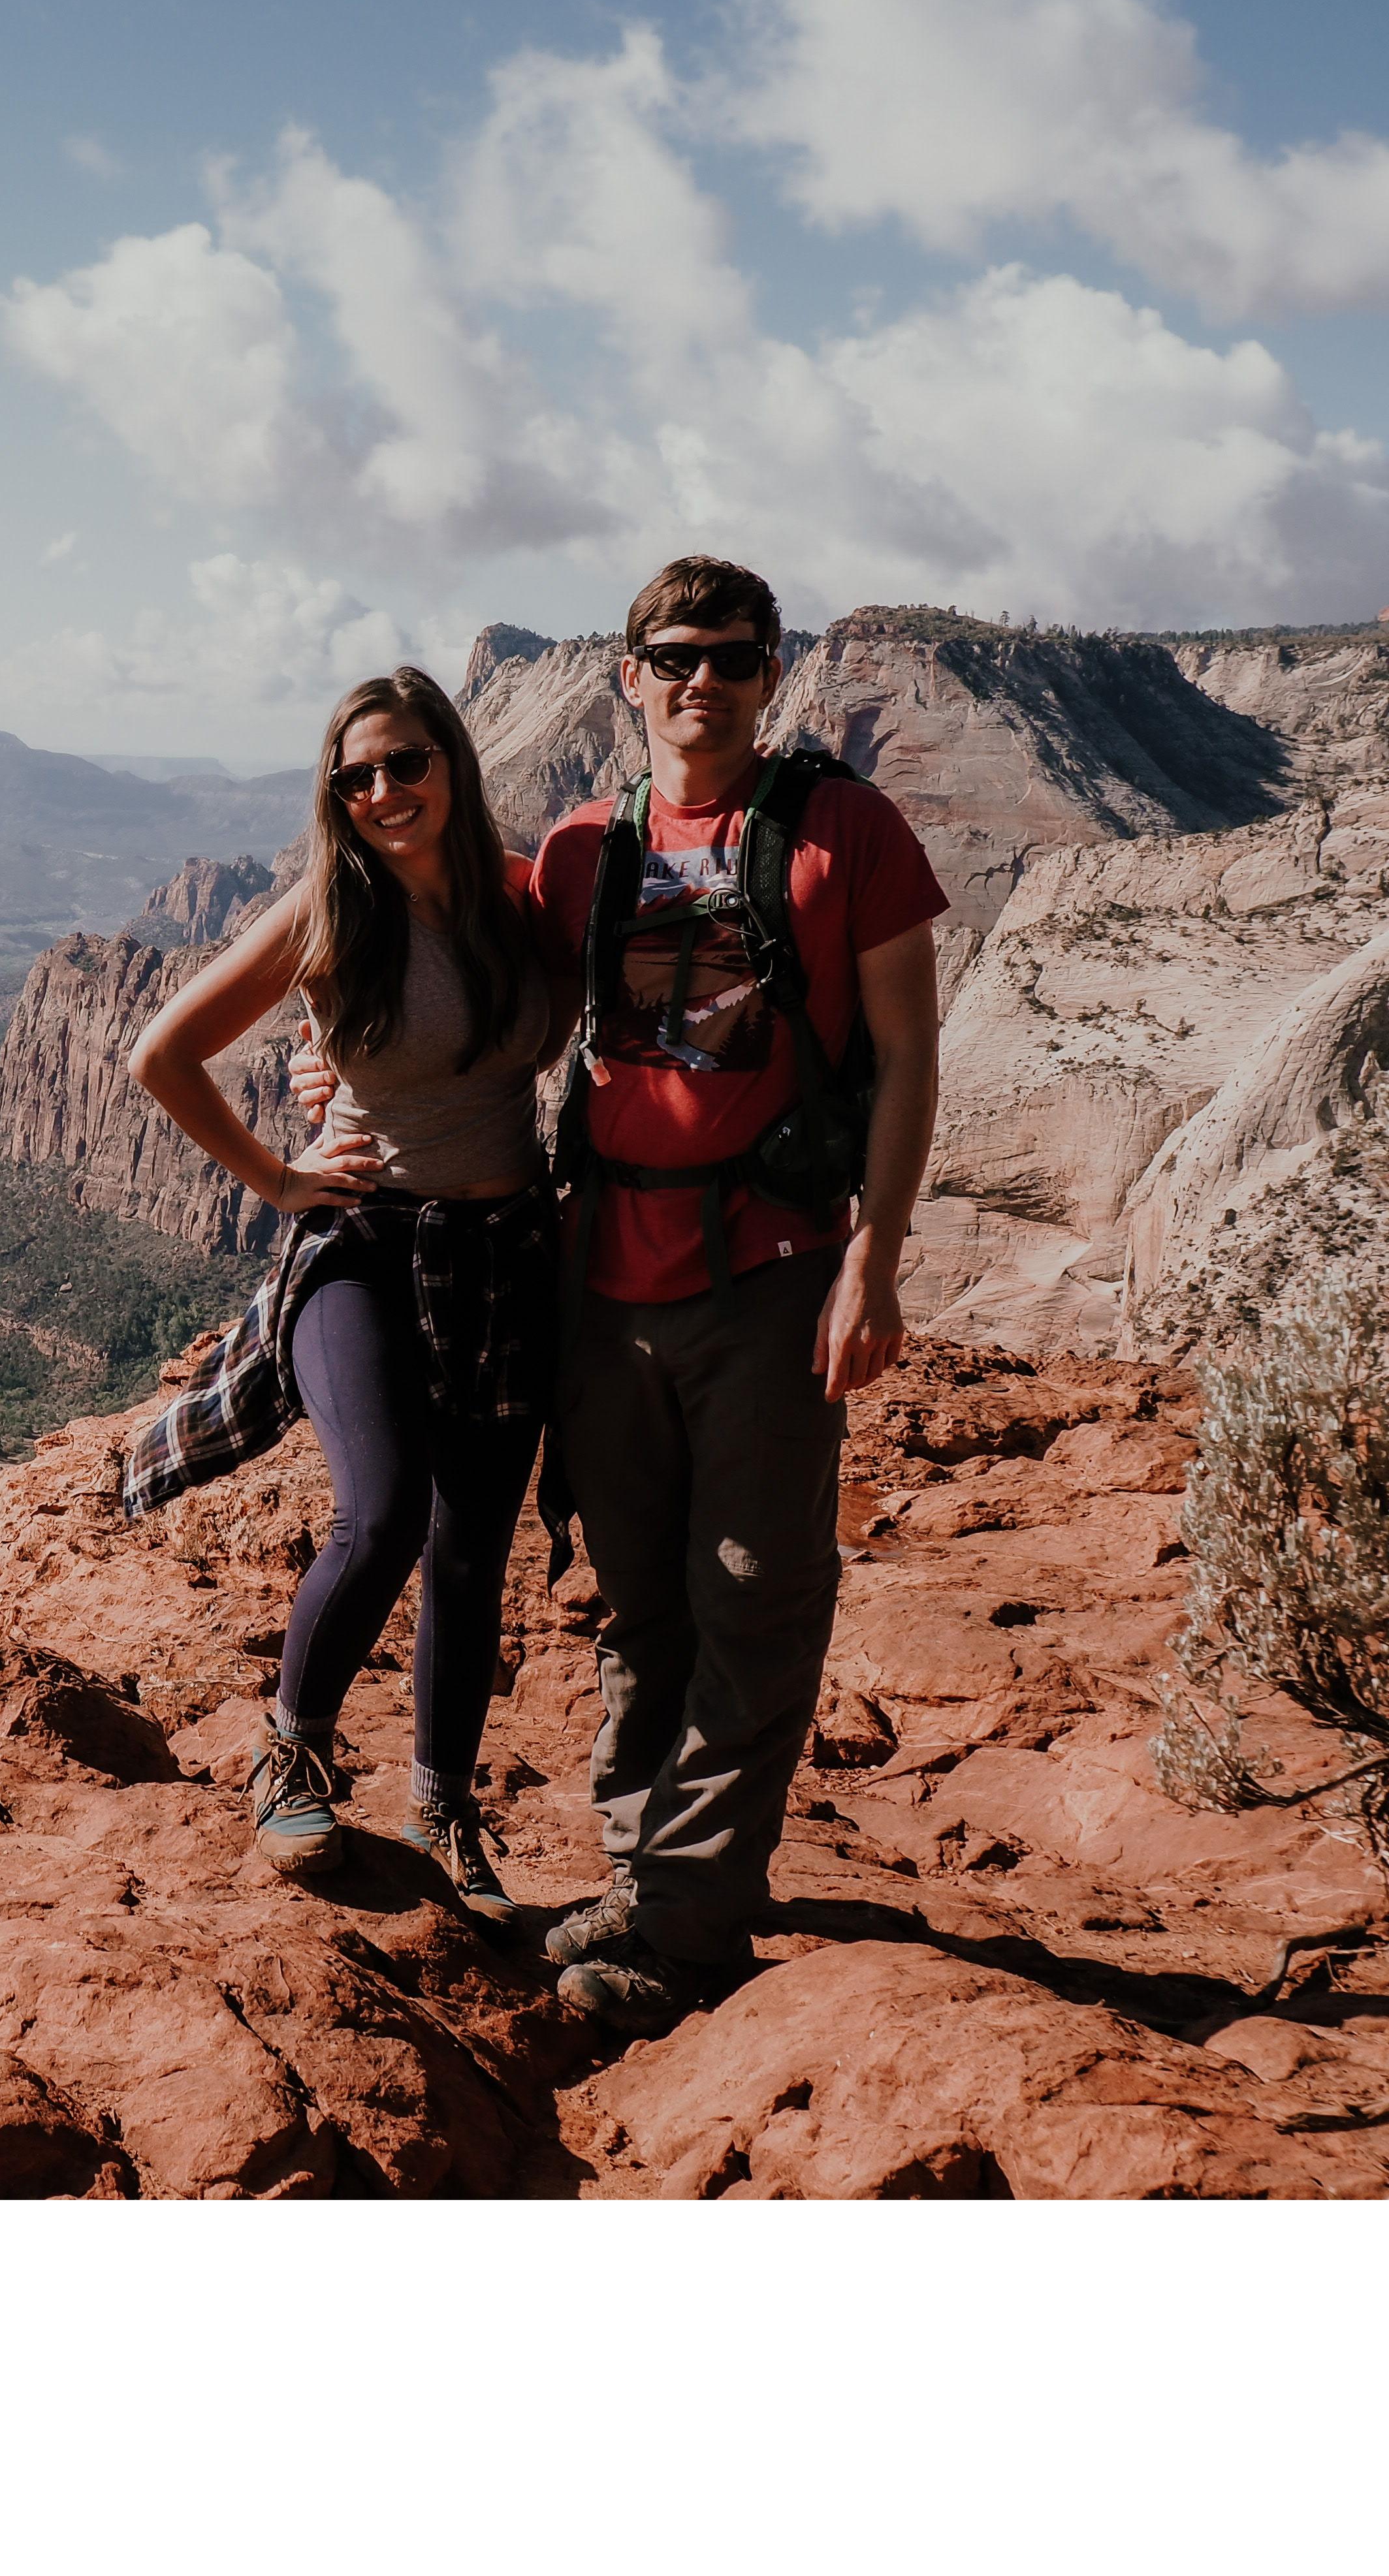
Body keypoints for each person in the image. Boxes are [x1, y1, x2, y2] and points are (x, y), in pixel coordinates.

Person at [520, 554, 944, 2034]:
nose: (703, 680)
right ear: (629, 674)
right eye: (675, 655)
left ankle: (686, 1927)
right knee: (639, 1608)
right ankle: (646, 1870)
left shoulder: (847, 831)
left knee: (754, 1601)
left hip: (769, 1277)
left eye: (734, 658)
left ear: (775, 676)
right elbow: (458, 997)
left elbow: (906, 1060)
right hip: (603, 1282)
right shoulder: (581, 848)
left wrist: (874, 1266)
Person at [121, 668, 566, 1915]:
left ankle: (444, 1807)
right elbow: (161, 1053)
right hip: (364, 1246)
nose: (382, 792)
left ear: (453, 764)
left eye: (405, 763)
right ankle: (293, 1756)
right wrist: (279, 1173)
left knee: (475, 1554)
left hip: (504, 1252)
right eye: (355, 774)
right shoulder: (330, 907)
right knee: (386, 1517)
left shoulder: (525, 893)